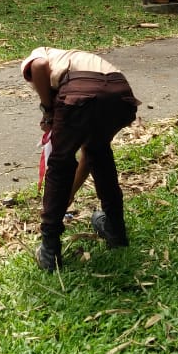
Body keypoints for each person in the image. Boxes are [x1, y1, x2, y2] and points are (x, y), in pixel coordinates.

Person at [21, 47, 140, 272]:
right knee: (99, 154)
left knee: (60, 163)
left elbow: (37, 67)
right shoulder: (75, 58)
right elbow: (87, 158)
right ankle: (115, 228)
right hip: (120, 95)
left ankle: (49, 248)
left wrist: (47, 111)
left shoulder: (41, 53)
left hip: (81, 93)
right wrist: (68, 196)